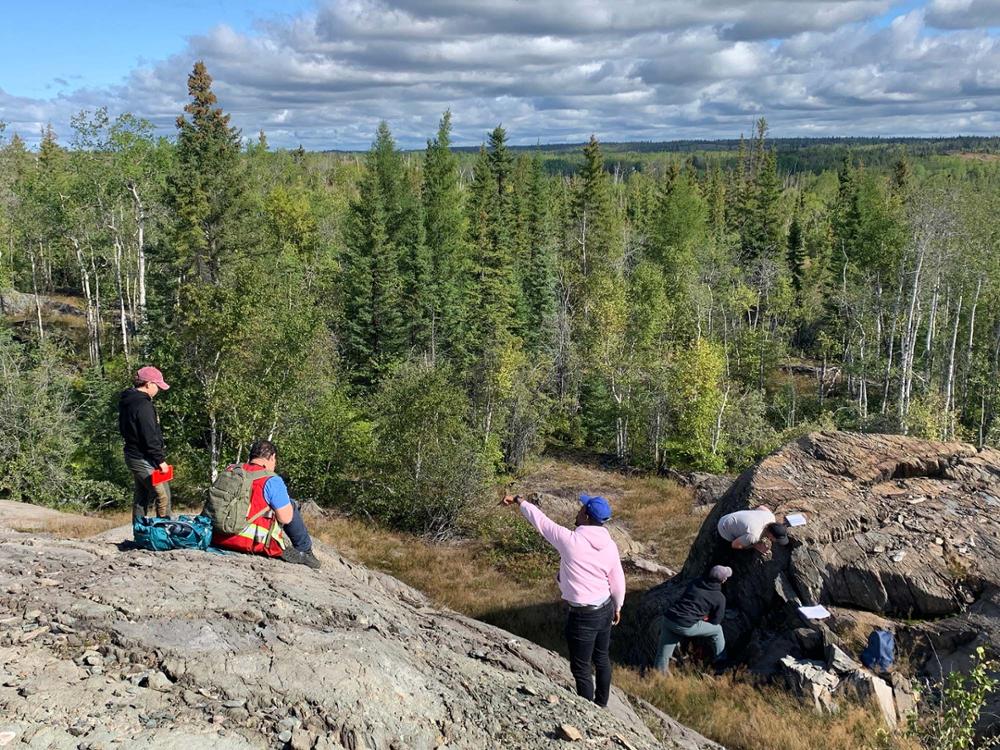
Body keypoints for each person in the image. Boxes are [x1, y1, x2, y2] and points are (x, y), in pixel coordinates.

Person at [502, 492, 625, 708]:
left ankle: (590, 711)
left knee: (581, 668)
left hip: (583, 616)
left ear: (586, 515)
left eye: (581, 508)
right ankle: (602, 704)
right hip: (605, 608)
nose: (578, 510)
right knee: (602, 659)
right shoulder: (610, 545)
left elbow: (541, 521)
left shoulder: (570, 541)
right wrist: (618, 606)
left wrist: (520, 500)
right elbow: (617, 579)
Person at [205, 439, 321, 569]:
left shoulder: (231, 470)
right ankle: (305, 551)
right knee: (290, 504)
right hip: (249, 542)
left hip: (214, 536)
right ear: (272, 457)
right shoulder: (272, 479)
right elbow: (286, 518)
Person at [654, 565, 731, 674]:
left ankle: (658, 676)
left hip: (669, 619)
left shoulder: (695, 583)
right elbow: (716, 621)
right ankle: (721, 662)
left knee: (663, 654)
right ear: (723, 580)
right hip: (685, 626)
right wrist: (704, 618)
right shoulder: (719, 597)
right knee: (718, 630)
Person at [118, 365, 172, 521]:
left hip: (135, 455)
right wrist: (160, 460)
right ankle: (163, 532)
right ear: (148, 384)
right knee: (162, 495)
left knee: (142, 495)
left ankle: (139, 531)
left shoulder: (128, 401)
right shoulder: (143, 405)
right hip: (143, 457)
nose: (159, 390)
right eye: (157, 386)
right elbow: (149, 436)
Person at [717, 506, 788, 553]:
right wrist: (755, 546)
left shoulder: (770, 516)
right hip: (723, 528)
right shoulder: (754, 536)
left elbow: (761, 507)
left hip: (730, 516)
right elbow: (735, 545)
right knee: (744, 546)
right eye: (775, 539)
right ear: (770, 535)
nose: (775, 541)